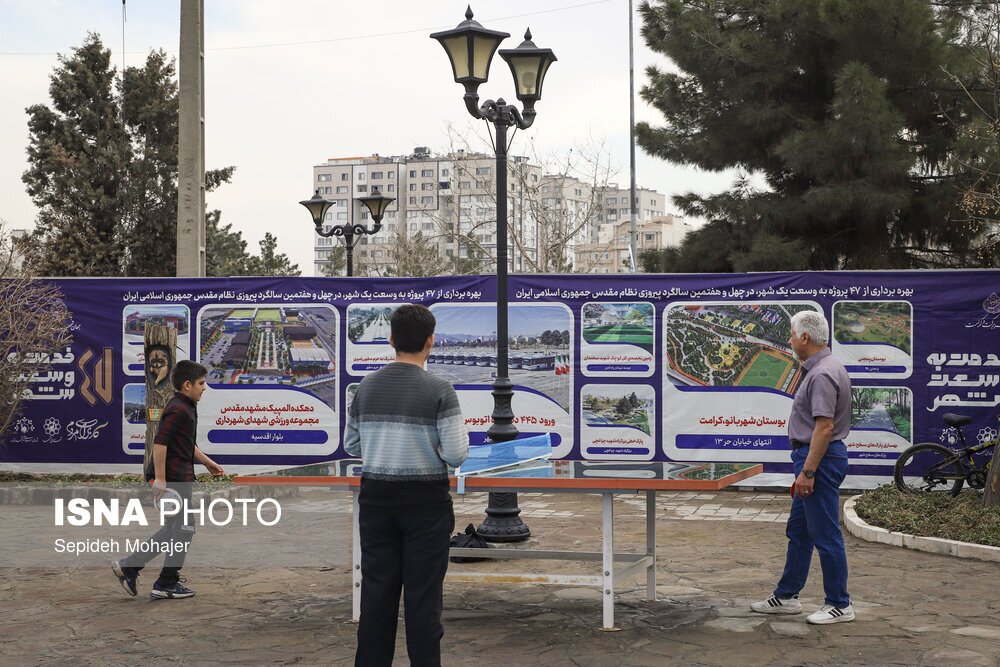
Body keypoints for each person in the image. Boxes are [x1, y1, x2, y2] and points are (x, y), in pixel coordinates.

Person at [344, 304, 469, 667]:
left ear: (391, 340)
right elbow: (458, 454)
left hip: (377, 503)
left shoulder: (366, 386)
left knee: (376, 598)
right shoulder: (440, 389)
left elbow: (353, 445)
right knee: (423, 603)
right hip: (426, 506)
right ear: (431, 341)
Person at [751, 310, 854, 624]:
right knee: (799, 531)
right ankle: (786, 597)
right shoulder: (824, 367)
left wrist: (808, 472)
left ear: (805, 337)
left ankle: (840, 604)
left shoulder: (822, 373)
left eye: (792, 334)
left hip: (817, 461)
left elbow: (823, 428)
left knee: (825, 534)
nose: (790, 339)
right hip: (813, 459)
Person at [112, 359, 224, 600]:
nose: (204, 387)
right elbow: (160, 442)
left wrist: (207, 462)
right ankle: (166, 582)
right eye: (201, 383)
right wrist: (161, 479)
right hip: (173, 479)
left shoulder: (186, 406)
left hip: (179, 476)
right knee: (184, 529)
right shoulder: (178, 409)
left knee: (176, 529)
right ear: (187, 385)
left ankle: (131, 566)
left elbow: (184, 442)